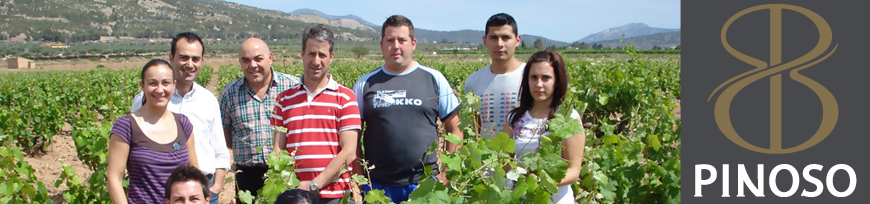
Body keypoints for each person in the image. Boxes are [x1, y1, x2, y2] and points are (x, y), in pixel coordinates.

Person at [353, 15, 463, 202]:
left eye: (402, 40)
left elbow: (455, 129)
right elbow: (353, 137)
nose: (396, 45)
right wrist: (359, 182)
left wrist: (444, 176)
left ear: (413, 43)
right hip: (377, 186)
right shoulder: (365, 83)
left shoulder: (434, 79)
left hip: (424, 183)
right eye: (390, 40)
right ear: (382, 45)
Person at [131, 32, 230, 204]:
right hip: (158, 189)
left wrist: (216, 187)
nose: (190, 64)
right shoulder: (145, 99)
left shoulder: (209, 100)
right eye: (184, 57)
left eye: (195, 59)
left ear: (202, 62)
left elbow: (220, 150)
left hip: (201, 190)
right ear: (171, 58)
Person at [271, 24, 360, 204]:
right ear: (302, 54)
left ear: (331, 57)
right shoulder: (284, 99)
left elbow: (349, 152)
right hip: (297, 198)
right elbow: (278, 149)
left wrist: (313, 184)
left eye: (322, 55)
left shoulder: (345, 97)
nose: (316, 61)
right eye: (311, 53)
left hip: (335, 196)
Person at [108, 59, 199, 204]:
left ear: (174, 85)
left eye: (165, 83)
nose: (160, 89)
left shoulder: (183, 123)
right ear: (142, 86)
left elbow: (195, 175)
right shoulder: (126, 126)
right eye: (152, 83)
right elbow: (114, 179)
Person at [221, 37, 301, 203]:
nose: (253, 65)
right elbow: (226, 135)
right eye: (246, 60)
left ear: (270, 58)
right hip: (247, 176)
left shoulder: (292, 87)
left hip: (285, 172)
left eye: (258, 58)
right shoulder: (230, 93)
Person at [502, 50, 585, 204]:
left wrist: (542, 180)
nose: (539, 84)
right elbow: (506, 163)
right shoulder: (514, 118)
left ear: (557, 81)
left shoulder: (568, 119)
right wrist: (521, 176)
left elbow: (574, 172)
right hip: (520, 198)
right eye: (534, 77)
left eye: (546, 78)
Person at [465, 13, 525, 139]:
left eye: (506, 37)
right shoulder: (473, 81)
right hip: (487, 158)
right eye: (493, 38)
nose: (499, 44)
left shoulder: (531, 77)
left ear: (517, 40)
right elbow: (474, 126)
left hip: (523, 157)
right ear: (484, 41)